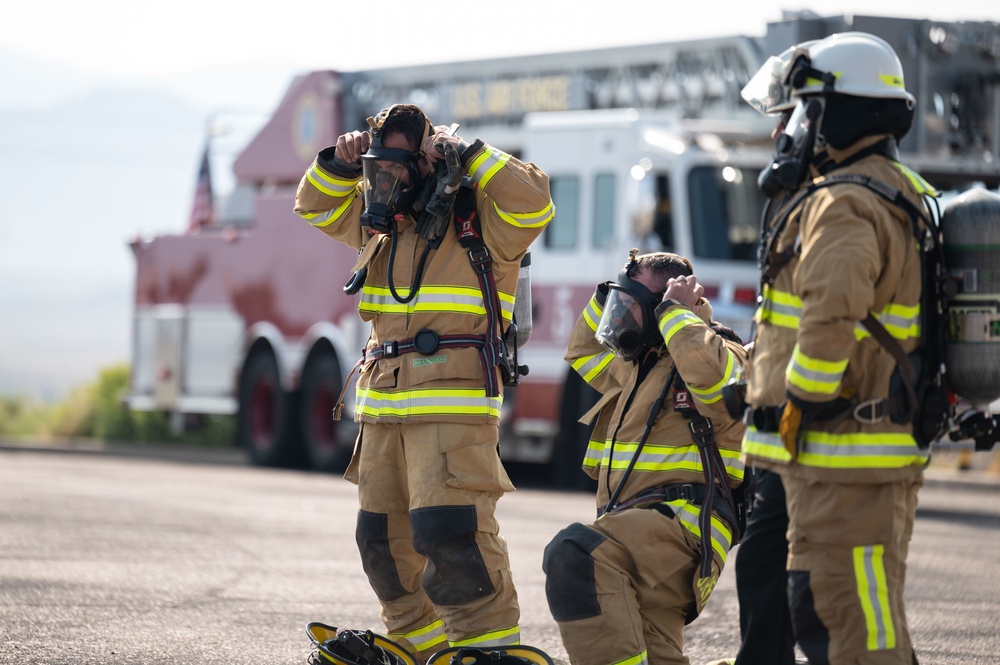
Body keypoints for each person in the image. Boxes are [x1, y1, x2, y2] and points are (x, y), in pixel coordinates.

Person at [294, 103, 554, 664]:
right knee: (381, 542)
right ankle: (416, 644)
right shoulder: (381, 219)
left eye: (392, 170)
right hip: (385, 405)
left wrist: (468, 154)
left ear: (426, 162)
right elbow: (312, 204)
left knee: (452, 537)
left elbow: (534, 200)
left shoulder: (482, 215)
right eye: (374, 170)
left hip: (453, 406)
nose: (379, 183)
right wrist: (339, 163)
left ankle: (487, 653)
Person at [736, 32, 937, 664]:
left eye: (806, 110)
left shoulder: (847, 202)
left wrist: (799, 404)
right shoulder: (879, 188)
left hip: (837, 449)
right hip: (817, 454)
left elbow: (829, 319)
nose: (794, 129)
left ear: (842, 112)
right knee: (806, 600)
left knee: (850, 621)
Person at [543, 250, 749, 665]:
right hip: (637, 531)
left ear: (663, 306)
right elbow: (583, 354)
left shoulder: (722, 352)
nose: (619, 317)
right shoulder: (639, 365)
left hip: (683, 526)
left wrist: (676, 313)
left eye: (630, 306)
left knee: (574, 552)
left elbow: (713, 388)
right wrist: (608, 295)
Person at [705, 41, 819, 665]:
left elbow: (830, 327)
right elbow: (793, 319)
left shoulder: (841, 207)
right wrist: (753, 373)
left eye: (790, 116)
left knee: (825, 600)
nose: (778, 132)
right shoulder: (807, 202)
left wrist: (779, 400)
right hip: (784, 431)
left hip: (816, 433)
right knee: (767, 573)